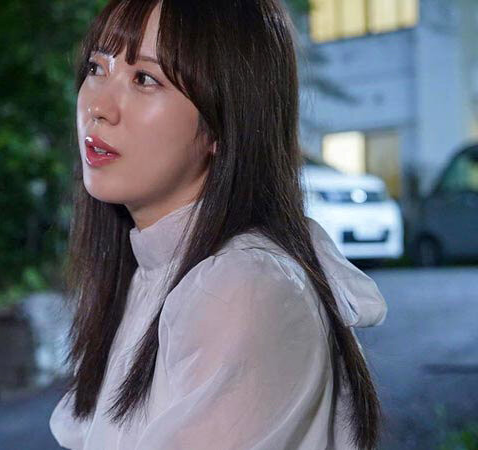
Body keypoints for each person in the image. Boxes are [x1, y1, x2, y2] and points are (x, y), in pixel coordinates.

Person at [48, 0, 389, 449]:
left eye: (145, 78)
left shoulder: (242, 288)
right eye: (97, 67)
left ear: (223, 122)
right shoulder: (153, 272)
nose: (99, 106)